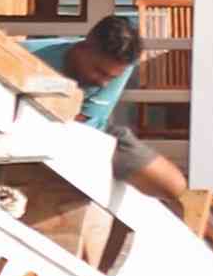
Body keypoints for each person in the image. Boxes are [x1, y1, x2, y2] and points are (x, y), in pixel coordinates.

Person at [25, 11, 188, 208]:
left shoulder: (121, 66)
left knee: (174, 186)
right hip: (35, 126)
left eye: (111, 78)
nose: (103, 84)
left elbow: (86, 122)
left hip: (95, 134)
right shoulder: (29, 57)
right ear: (85, 46)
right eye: (99, 71)